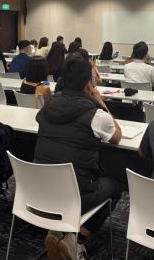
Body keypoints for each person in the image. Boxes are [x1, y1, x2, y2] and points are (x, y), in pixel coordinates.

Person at [34, 55, 122, 259]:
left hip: (39, 190)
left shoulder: (48, 106)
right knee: (115, 186)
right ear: (88, 84)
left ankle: (57, 231)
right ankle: (75, 240)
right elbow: (117, 136)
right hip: (74, 194)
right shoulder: (96, 115)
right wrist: (100, 102)